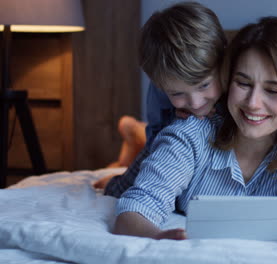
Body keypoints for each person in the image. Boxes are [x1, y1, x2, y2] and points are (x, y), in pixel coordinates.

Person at [113, 16, 277, 245]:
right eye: (243, 84)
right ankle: (135, 136)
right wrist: (157, 237)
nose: (253, 103)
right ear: (228, 80)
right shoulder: (190, 130)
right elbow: (138, 204)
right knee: (119, 184)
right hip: (164, 133)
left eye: (272, 90)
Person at [93, 1, 227, 194]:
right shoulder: (161, 88)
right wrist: (117, 184)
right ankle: (135, 136)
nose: (196, 104)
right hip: (159, 128)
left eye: (204, 85)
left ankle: (134, 132)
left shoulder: (240, 79)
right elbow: (154, 147)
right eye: (177, 93)